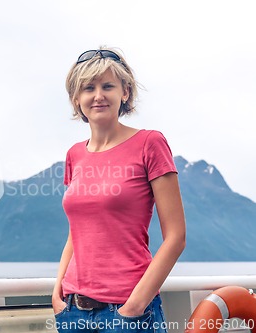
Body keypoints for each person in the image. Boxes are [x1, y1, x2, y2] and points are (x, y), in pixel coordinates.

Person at [51, 47, 186, 333]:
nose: (98, 95)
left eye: (107, 86)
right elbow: (76, 233)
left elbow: (176, 237)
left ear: (125, 92)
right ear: (77, 99)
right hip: (73, 312)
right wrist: (57, 291)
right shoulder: (74, 155)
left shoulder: (150, 144)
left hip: (128, 314)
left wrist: (134, 306)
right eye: (88, 88)